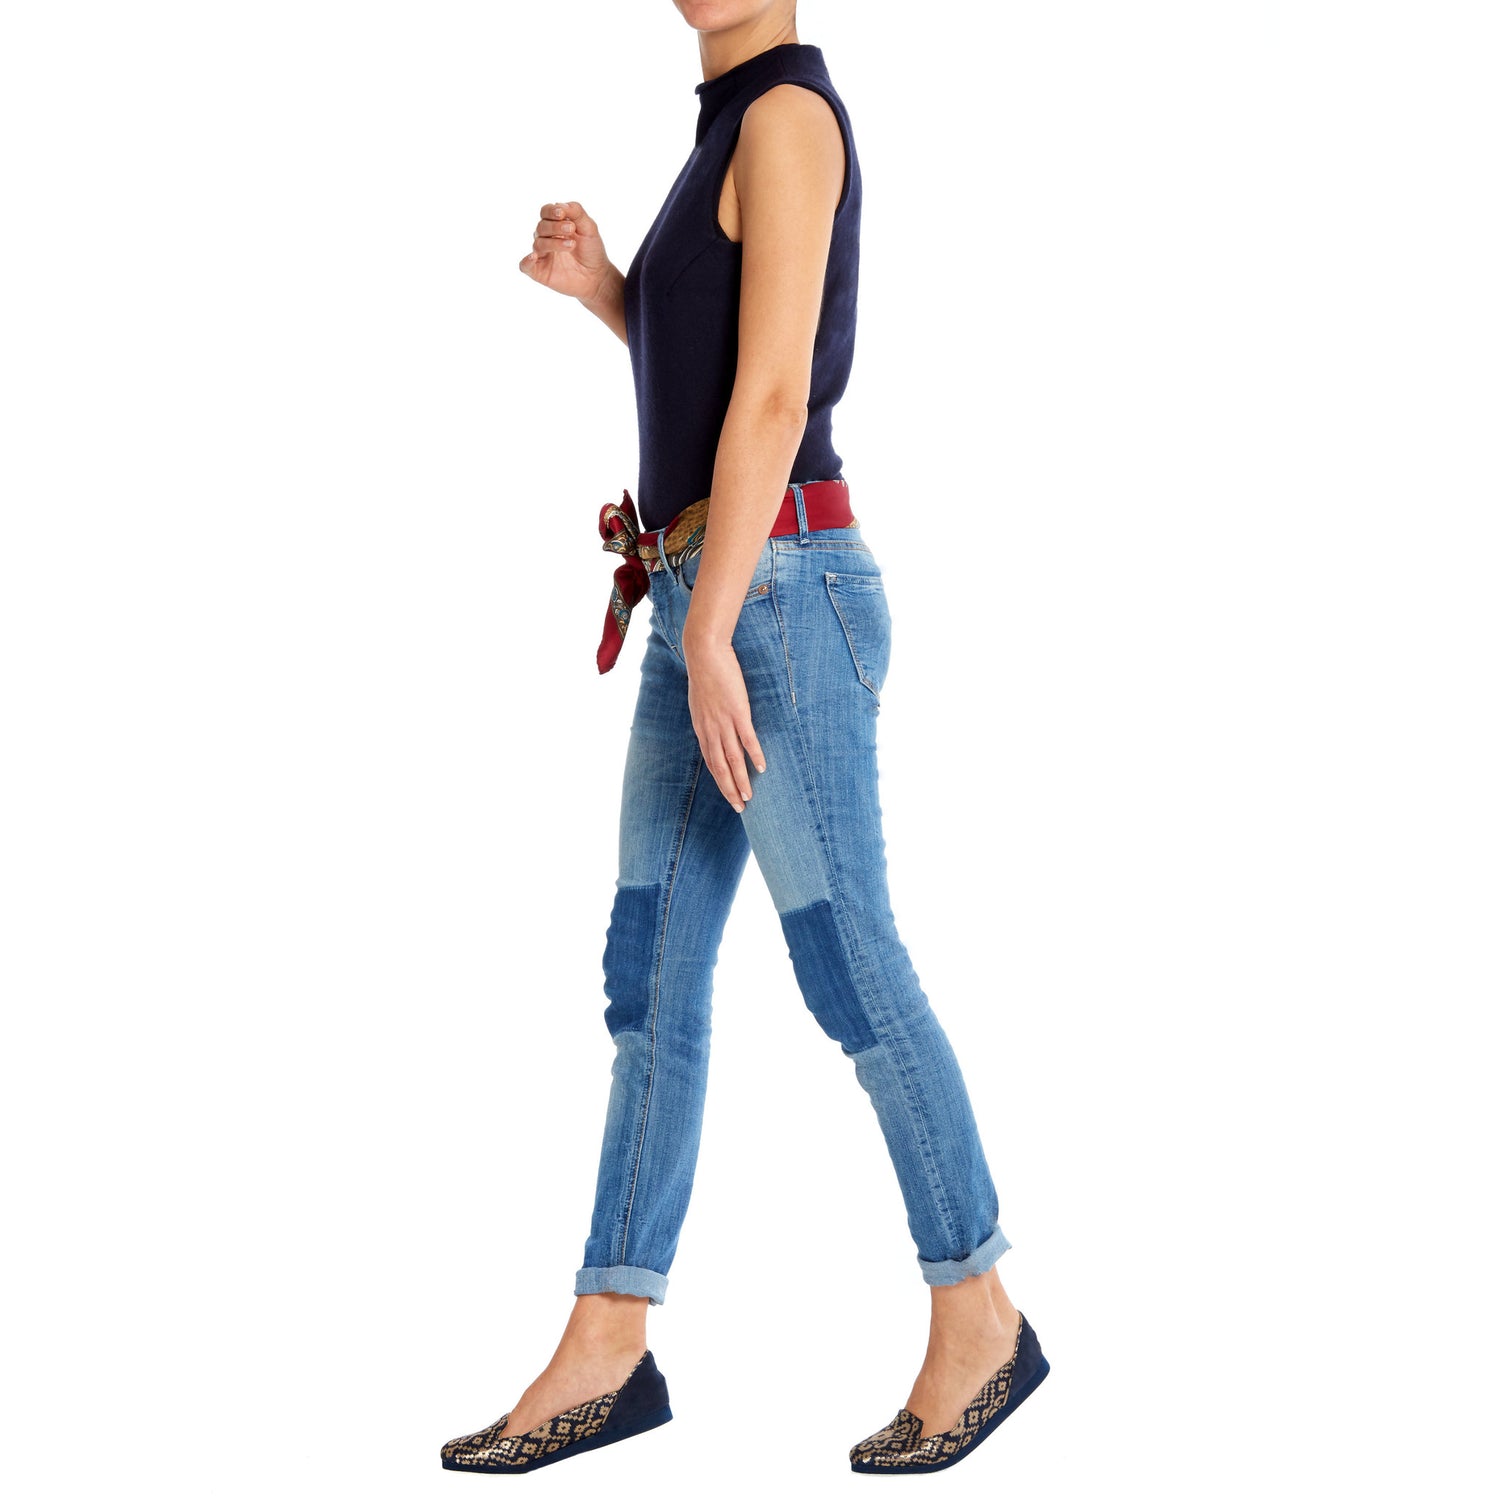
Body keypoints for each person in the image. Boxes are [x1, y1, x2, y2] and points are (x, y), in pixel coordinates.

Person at [440, 1, 1049, 1477]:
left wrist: (710, 630)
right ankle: (609, 1340)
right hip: (705, 594)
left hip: (774, 602)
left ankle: (979, 1312)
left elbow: (777, 399)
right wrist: (610, 294)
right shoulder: (726, 124)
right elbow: (719, 362)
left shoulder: (785, 117)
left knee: (850, 964)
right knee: (648, 978)